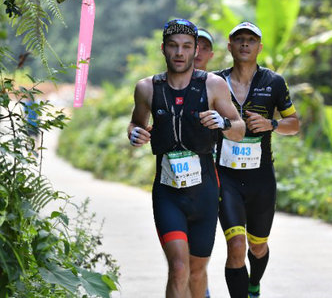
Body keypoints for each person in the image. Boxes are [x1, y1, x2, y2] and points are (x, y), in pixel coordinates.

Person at [128, 19, 245, 298]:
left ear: (195, 51)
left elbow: (239, 129)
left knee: (196, 273)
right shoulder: (147, 88)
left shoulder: (213, 86)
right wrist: (135, 135)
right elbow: (135, 123)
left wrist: (223, 123)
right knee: (178, 268)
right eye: (173, 46)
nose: (179, 53)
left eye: (186, 47)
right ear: (163, 49)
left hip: (205, 191)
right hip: (168, 194)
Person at [214, 21, 300, 298]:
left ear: (259, 48)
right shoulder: (214, 81)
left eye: (251, 40)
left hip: (261, 178)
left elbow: (294, 123)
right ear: (230, 46)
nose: (245, 44)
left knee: (257, 246)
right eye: (239, 39)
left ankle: (254, 285)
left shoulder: (273, 82)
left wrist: (271, 124)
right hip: (225, 176)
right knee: (236, 245)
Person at [194, 27, 215, 298]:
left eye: (202, 47)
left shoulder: (217, 84)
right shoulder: (164, 85)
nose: (196, 52)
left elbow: (237, 125)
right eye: (191, 45)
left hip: (218, 177)